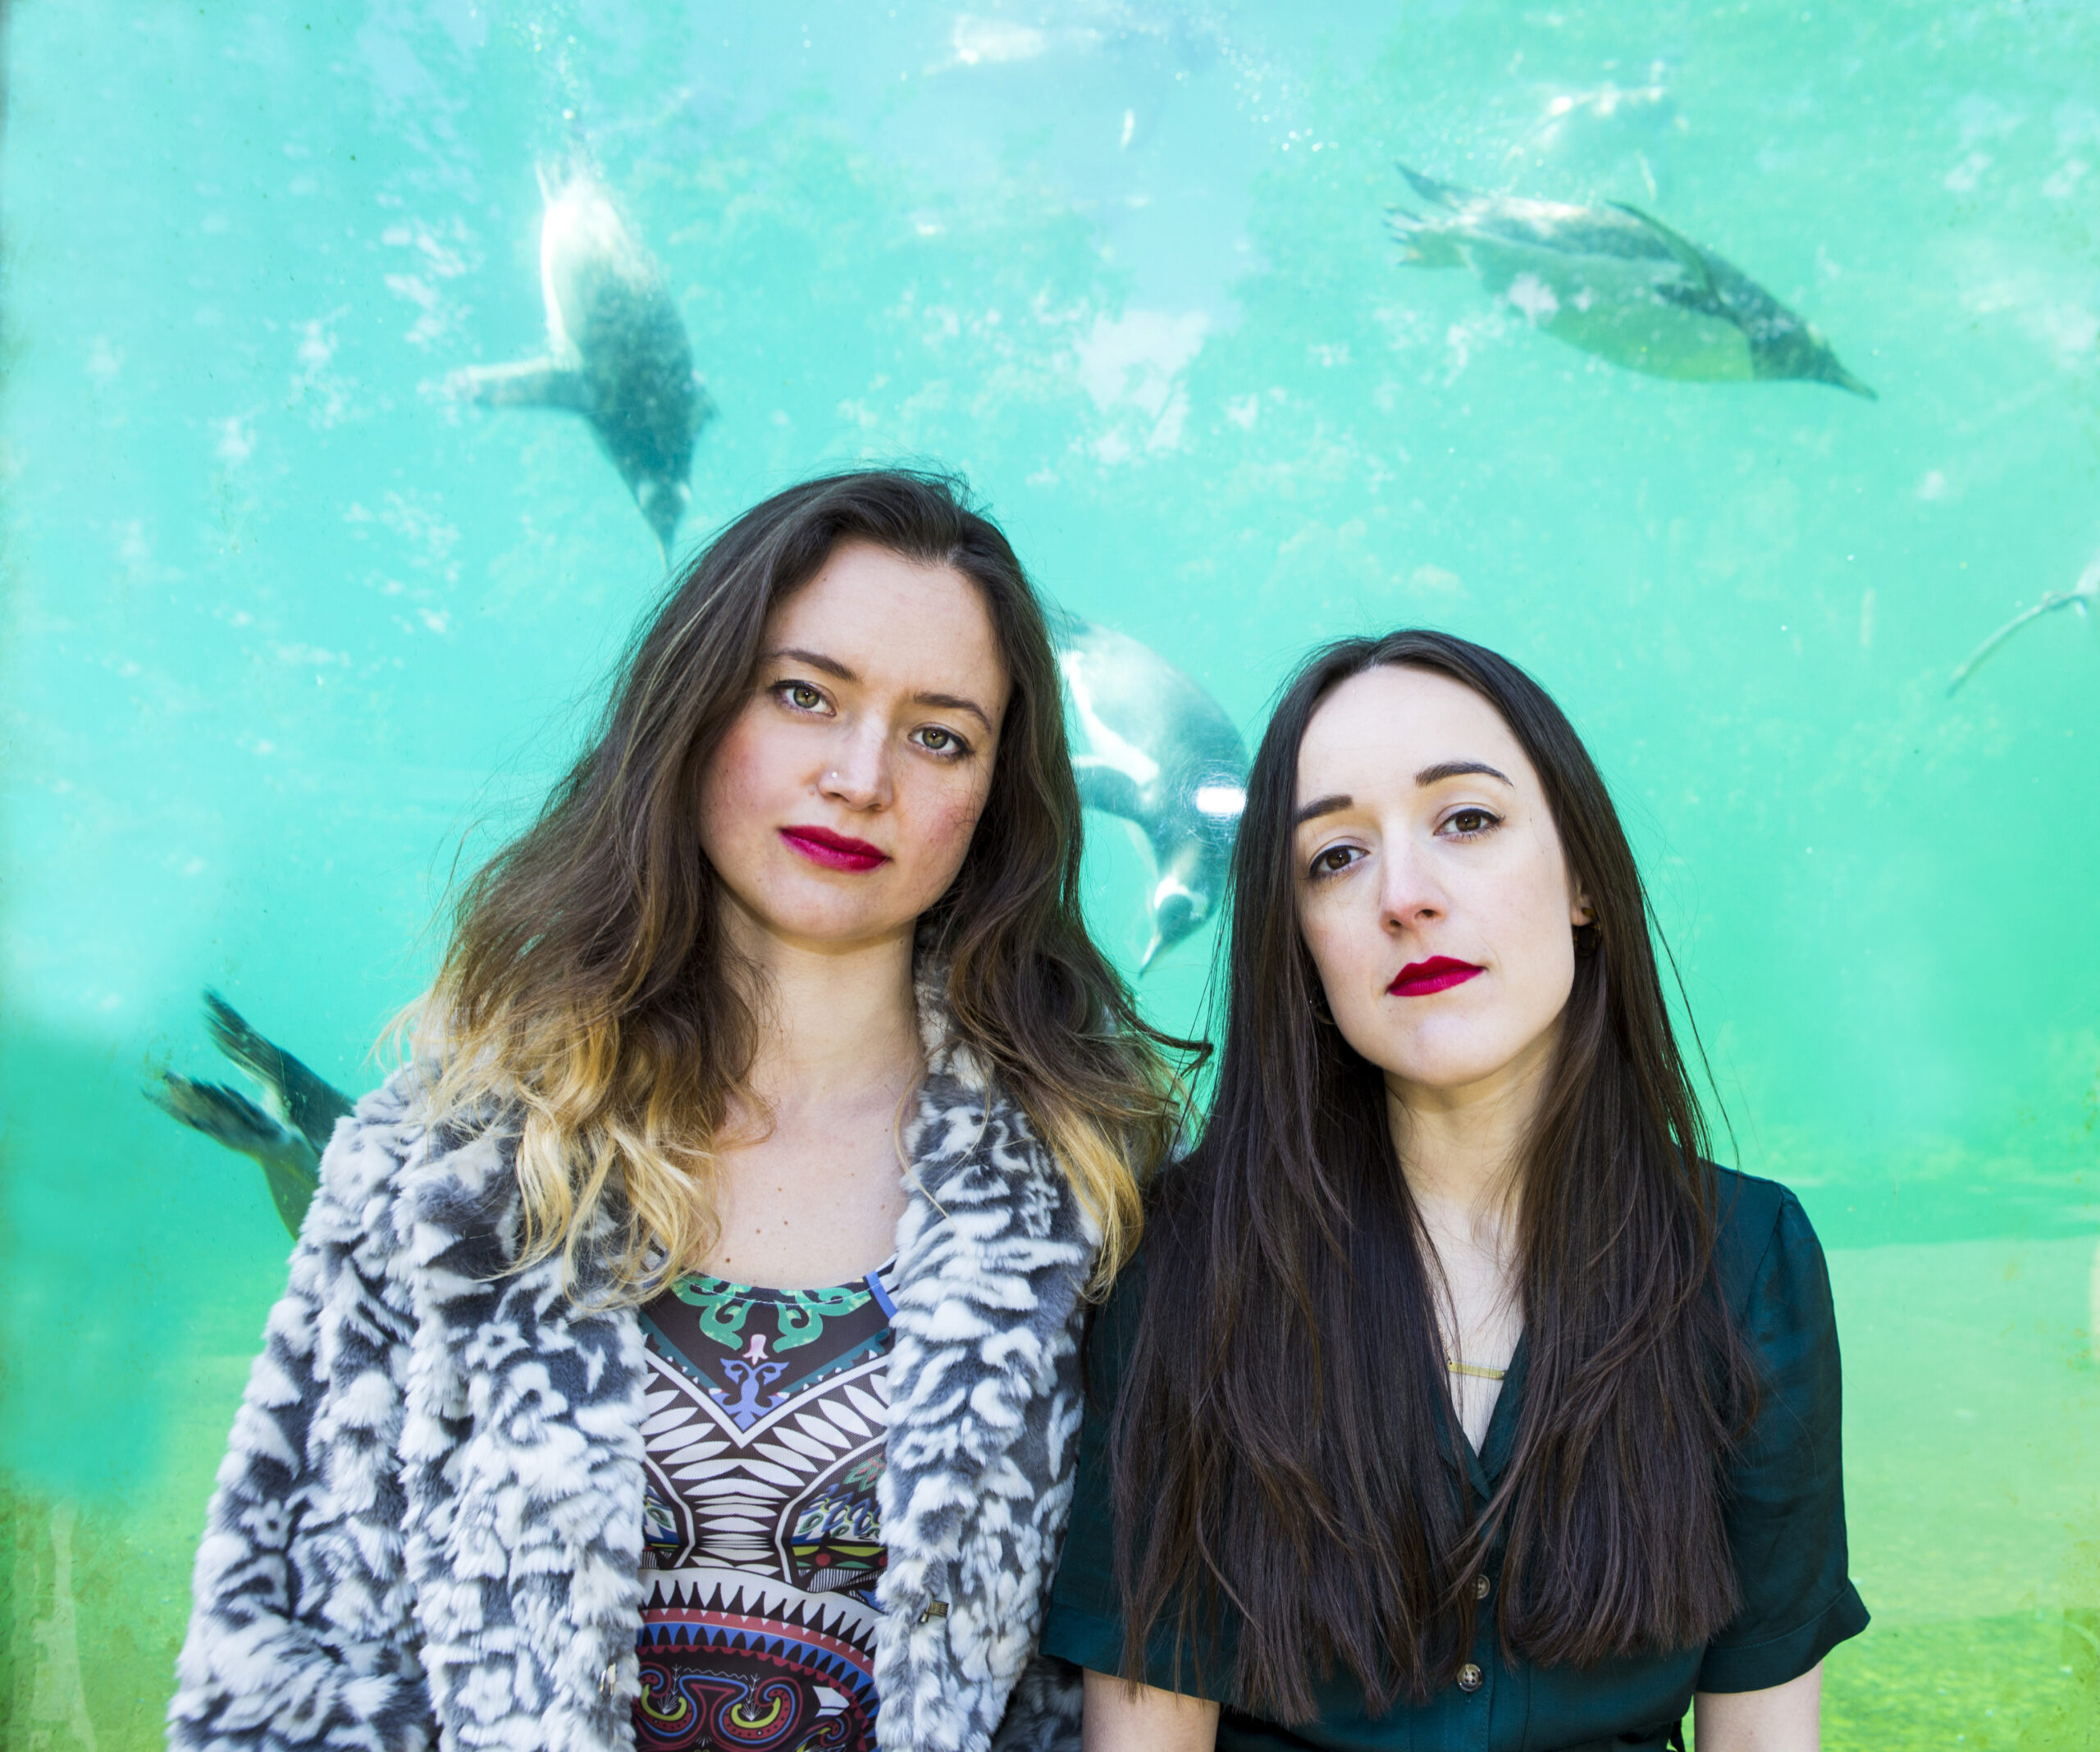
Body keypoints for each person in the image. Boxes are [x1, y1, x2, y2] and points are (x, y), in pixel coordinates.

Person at [168, 470, 1185, 1752]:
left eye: (939, 736)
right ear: (698, 710)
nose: (859, 776)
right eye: (803, 695)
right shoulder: (439, 1163)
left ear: (996, 800)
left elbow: (1135, 1688)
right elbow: (272, 1670)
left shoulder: (1102, 1198)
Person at [1044, 630, 1868, 1752]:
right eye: (1336, 856)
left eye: (1467, 821)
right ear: (1298, 939)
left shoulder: (1751, 1258)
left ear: (1584, 878)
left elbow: (1764, 1727)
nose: (1405, 897)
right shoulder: (1184, 1263)